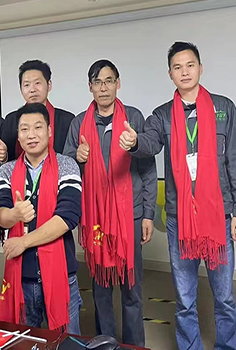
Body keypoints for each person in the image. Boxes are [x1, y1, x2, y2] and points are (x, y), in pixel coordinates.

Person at [120, 42, 236, 350]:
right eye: (177, 67)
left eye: (190, 65)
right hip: (180, 219)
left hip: (220, 214)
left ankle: (226, 346)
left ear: (200, 68)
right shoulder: (162, 115)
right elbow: (150, 143)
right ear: (170, 74)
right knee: (185, 298)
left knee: (224, 296)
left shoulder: (223, 108)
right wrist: (135, 141)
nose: (185, 72)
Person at [63, 60, 156, 347]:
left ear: (118, 83)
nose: (103, 87)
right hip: (95, 216)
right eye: (97, 82)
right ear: (90, 87)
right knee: (101, 287)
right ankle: (106, 343)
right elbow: (65, 169)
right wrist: (77, 157)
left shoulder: (134, 117)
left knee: (131, 287)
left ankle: (133, 344)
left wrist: (148, 214)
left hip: (130, 214)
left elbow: (148, 167)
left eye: (109, 80)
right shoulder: (79, 123)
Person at [0, 103, 82, 334]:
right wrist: (14, 214)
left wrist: (24, 242)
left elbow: (68, 217)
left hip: (61, 274)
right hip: (20, 277)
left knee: (66, 341)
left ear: (50, 131)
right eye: (24, 129)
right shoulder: (6, 171)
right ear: (18, 136)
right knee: (22, 341)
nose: (31, 134)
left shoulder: (67, 165)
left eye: (38, 127)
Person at [0, 60, 74, 161]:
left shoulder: (67, 120)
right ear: (21, 89)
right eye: (27, 85)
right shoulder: (11, 120)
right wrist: (3, 157)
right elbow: (8, 159)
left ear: (49, 85)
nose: (32, 90)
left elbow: (71, 156)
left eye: (37, 83)